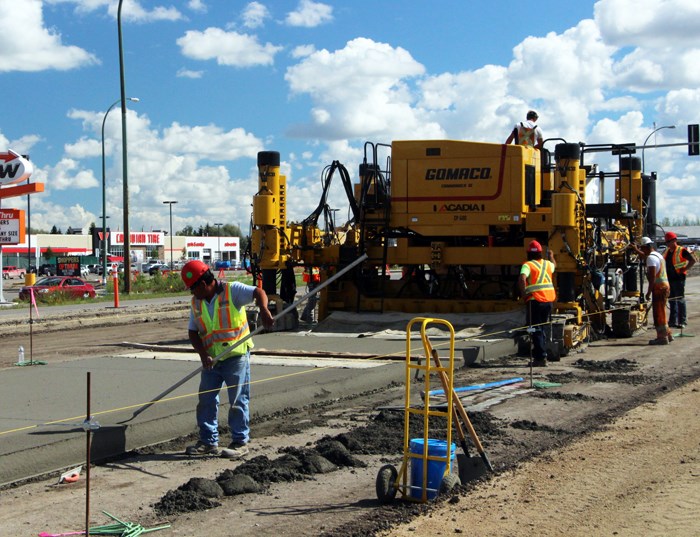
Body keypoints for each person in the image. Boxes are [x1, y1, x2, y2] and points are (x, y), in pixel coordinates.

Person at [181, 260, 274, 458]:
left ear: (203, 284)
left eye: (192, 289)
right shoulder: (196, 302)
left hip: (236, 356)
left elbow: (259, 292)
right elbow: (193, 332)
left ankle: (240, 442)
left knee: (238, 400)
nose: (191, 293)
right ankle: (208, 441)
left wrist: (264, 309)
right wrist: (203, 355)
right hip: (212, 360)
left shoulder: (232, 291)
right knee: (206, 399)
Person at [518, 240, 556, 366]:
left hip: (535, 301)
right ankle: (542, 352)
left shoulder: (527, 265)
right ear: (540, 253)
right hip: (548, 301)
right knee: (542, 327)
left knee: (535, 329)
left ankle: (540, 358)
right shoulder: (547, 264)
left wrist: (524, 295)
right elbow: (554, 266)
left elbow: (522, 278)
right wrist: (551, 257)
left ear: (528, 253)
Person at [630, 237, 672, 345]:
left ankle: (662, 338)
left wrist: (648, 292)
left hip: (658, 288)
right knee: (662, 311)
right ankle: (668, 334)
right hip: (665, 286)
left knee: (658, 314)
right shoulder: (657, 255)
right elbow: (645, 257)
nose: (642, 251)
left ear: (646, 247)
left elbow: (652, 277)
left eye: (642, 248)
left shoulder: (651, 259)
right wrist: (636, 249)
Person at [663, 231, 695, 328]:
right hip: (670, 279)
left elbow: (692, 260)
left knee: (680, 299)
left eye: (669, 241)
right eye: (667, 242)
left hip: (679, 279)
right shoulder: (667, 251)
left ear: (675, 240)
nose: (668, 244)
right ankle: (673, 321)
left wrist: (684, 269)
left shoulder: (681, 250)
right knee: (672, 300)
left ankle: (682, 321)